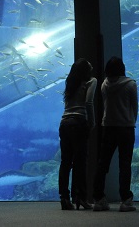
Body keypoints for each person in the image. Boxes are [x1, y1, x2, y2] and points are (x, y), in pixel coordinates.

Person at [92, 56, 138, 212]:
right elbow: (134, 107)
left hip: (108, 127)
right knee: (125, 164)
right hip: (126, 128)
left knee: (103, 163)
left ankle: (98, 199)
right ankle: (125, 200)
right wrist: (131, 120)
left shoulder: (104, 85)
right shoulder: (131, 84)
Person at [58, 58, 97, 210]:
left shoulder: (70, 82)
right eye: (89, 65)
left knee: (65, 162)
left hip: (64, 123)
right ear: (86, 70)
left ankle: (64, 198)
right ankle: (80, 197)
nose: (91, 66)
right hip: (79, 122)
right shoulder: (91, 81)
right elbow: (88, 102)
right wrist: (92, 123)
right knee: (80, 162)